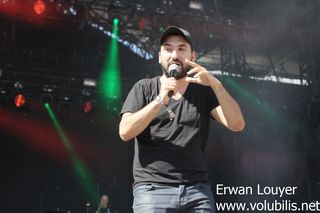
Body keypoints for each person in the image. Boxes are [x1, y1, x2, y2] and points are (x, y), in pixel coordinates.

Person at [119, 26, 245, 212]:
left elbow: (237, 125)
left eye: (181, 49)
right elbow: (125, 132)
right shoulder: (144, 88)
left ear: (193, 56)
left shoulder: (203, 91)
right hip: (152, 190)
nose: (174, 55)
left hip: (197, 191)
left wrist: (216, 85)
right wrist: (160, 99)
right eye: (168, 49)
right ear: (159, 56)